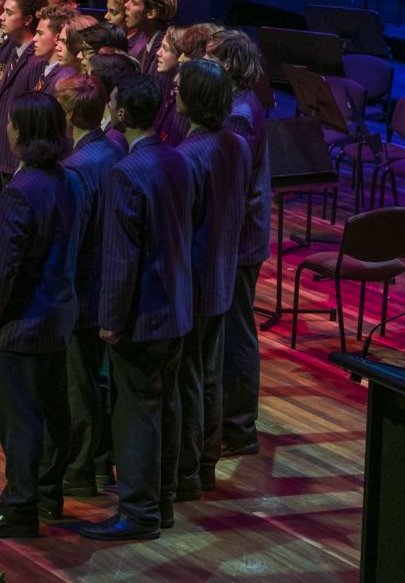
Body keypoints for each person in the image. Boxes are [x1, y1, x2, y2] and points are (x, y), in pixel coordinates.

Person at [0, 93, 86, 539]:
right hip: (57, 317)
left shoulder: (21, 190)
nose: (7, 129)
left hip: (22, 324)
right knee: (53, 415)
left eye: (12, 123)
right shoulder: (68, 179)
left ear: (24, 132)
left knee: (20, 423)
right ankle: (46, 496)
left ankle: (18, 509)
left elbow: (4, 269)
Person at [80, 74, 193, 541]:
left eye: (111, 103)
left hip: (142, 316)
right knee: (164, 406)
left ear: (122, 115)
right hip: (176, 308)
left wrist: (109, 320)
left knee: (136, 414)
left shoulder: (124, 173)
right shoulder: (176, 158)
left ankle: (139, 512)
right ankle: (161, 502)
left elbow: (121, 256)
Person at [172, 59, 251, 502]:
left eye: (180, 86)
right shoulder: (236, 144)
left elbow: (182, 227)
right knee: (209, 375)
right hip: (221, 273)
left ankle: (185, 471)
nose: (173, 91)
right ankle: (204, 466)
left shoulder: (186, 156)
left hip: (193, 281)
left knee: (188, 379)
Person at [47, 74, 125, 499]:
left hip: (84, 289)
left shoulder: (75, 168)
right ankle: (98, 466)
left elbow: (72, 239)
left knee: (78, 384)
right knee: (97, 380)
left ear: (71, 116)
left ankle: (79, 470)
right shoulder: (113, 146)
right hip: (106, 284)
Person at [206, 30, 271, 461]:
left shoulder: (239, 115)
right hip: (239, 237)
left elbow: (236, 188)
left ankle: (239, 426)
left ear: (227, 65)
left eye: (209, 58)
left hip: (239, 242)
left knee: (236, 334)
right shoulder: (239, 106)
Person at [0, 0, 44, 189]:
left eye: (9, 13)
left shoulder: (36, 61)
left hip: (17, 158)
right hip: (0, 152)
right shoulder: (11, 50)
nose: (1, 17)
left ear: (28, 20)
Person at [124, 0, 177, 74]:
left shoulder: (164, 51)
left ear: (151, 13)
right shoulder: (148, 40)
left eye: (133, 3)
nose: (126, 5)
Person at [150, 25, 191, 147]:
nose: (158, 53)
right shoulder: (165, 81)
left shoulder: (186, 97)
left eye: (165, 48)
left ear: (181, 54)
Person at [31, 5, 79, 94]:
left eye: (40, 33)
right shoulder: (46, 68)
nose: (34, 38)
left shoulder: (64, 79)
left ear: (57, 37)